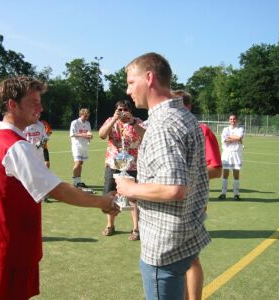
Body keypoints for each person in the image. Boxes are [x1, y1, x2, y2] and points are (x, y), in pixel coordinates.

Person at [0, 76, 119, 300]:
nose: (41, 108)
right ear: (12, 105)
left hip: (0, 241)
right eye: (33, 102)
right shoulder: (15, 146)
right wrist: (103, 202)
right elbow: (56, 189)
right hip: (12, 245)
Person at [115, 52, 211, 300]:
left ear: (149, 78)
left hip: (164, 246)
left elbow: (173, 189)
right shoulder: (185, 117)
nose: (128, 90)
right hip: (185, 237)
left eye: (131, 82)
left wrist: (129, 188)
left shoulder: (163, 124)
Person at [172, 90, 222, 300]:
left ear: (187, 107)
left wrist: (186, 182)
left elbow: (216, 169)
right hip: (170, 202)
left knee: (190, 258)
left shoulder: (202, 130)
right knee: (175, 256)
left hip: (192, 201)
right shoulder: (170, 130)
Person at [99, 99, 143, 240]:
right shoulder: (110, 120)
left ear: (130, 110)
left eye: (125, 109)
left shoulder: (137, 121)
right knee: (110, 195)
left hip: (132, 165)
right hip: (113, 164)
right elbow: (102, 135)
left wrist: (133, 123)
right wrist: (113, 119)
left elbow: (145, 135)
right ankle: (110, 225)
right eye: (120, 109)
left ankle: (136, 229)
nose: (122, 112)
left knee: (133, 198)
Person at [218, 114, 244, 201]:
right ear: (229, 120)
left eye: (234, 119)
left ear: (237, 120)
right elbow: (225, 140)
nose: (232, 120)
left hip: (236, 154)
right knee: (225, 174)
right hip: (227, 154)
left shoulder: (240, 129)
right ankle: (223, 193)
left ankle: (236, 194)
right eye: (231, 119)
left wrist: (231, 138)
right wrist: (236, 138)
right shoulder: (225, 129)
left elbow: (239, 137)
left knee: (236, 175)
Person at [70, 108, 93, 188]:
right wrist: (84, 135)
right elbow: (72, 134)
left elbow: (89, 133)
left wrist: (90, 136)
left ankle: (78, 181)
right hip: (77, 145)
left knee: (81, 163)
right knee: (78, 163)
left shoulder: (88, 123)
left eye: (87, 116)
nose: (86, 118)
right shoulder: (75, 122)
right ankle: (75, 182)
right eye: (85, 116)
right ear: (80, 115)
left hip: (84, 146)